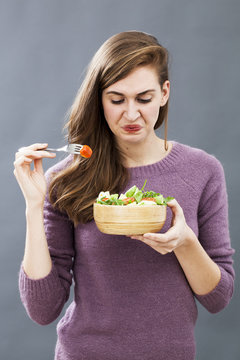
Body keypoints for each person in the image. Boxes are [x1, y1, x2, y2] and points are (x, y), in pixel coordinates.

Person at [14, 31, 235, 360]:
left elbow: (218, 299)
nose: (131, 114)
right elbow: (43, 310)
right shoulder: (67, 177)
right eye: (117, 100)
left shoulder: (203, 170)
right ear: (99, 99)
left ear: (164, 93)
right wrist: (34, 207)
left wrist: (184, 241)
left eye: (143, 99)